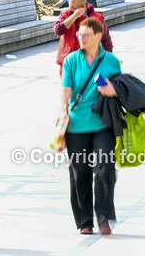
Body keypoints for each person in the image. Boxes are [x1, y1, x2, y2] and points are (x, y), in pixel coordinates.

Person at [58, 16, 122, 235]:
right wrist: (62, 110)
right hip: (77, 125)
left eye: (85, 35)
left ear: (98, 35)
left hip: (103, 124)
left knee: (104, 170)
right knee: (80, 172)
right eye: (79, 35)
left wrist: (106, 86)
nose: (81, 38)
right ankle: (85, 221)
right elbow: (66, 89)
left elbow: (118, 90)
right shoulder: (71, 60)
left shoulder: (111, 61)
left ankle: (104, 217)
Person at [54, 0, 113, 73]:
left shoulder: (97, 19)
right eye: (69, 5)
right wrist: (74, 16)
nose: (70, 9)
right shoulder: (65, 14)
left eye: (73, 7)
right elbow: (58, 30)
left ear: (83, 7)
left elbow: (106, 41)